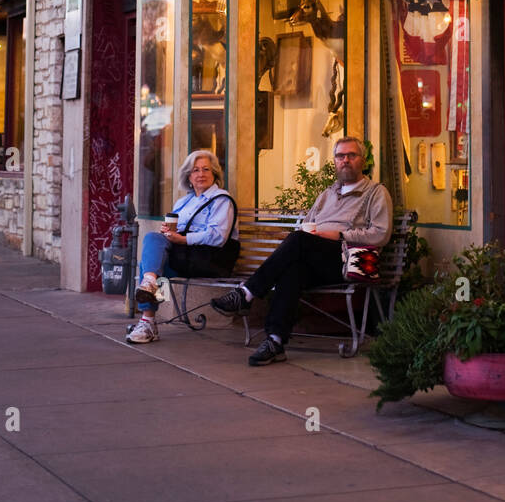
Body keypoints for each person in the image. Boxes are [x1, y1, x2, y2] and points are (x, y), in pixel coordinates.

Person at [210, 136, 393, 366]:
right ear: (335, 162)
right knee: (292, 270)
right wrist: (314, 235)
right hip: (316, 258)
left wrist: (339, 235)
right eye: (340, 156)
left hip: (346, 260)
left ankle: (247, 293)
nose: (345, 160)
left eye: (351, 155)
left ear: (363, 161)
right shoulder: (328, 193)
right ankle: (275, 341)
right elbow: (307, 224)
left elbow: (380, 234)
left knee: (298, 240)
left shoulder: (376, 193)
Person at [126, 150, 239, 345]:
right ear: (188, 175)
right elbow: (175, 229)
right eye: (195, 170)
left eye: (206, 169)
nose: (200, 174)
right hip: (187, 258)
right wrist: (169, 232)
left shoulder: (222, 199)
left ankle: (148, 321)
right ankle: (148, 309)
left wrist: (181, 240)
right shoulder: (184, 201)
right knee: (152, 264)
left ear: (214, 174)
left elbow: (218, 237)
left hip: (210, 261)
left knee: (151, 261)